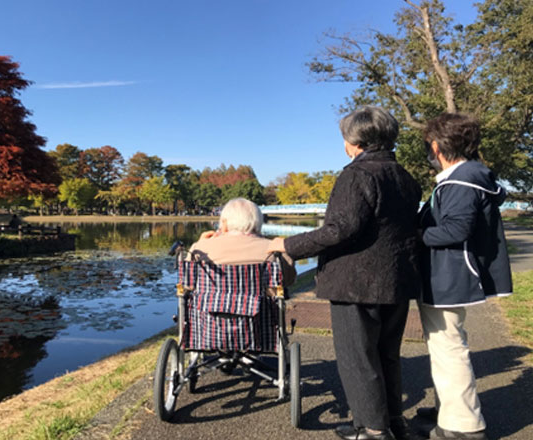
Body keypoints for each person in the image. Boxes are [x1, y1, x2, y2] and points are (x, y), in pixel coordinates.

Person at [269, 106, 422, 440]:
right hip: (396, 277)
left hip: (357, 282)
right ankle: (394, 421)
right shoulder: (405, 177)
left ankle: (373, 429)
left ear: (356, 140)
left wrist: (288, 244)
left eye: (344, 137)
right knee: (387, 355)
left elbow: (342, 228)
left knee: (358, 358)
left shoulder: (357, 174)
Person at [417, 113, 512, 440]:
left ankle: (462, 425)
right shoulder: (470, 176)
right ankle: (451, 406)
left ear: (437, 146)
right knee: (447, 346)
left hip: (449, 276)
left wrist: (414, 235)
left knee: (449, 348)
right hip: (452, 275)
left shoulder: (459, 182)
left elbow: (455, 230)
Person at [189, 197, 296, 287]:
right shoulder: (274, 249)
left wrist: (199, 244)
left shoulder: (200, 248)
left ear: (224, 224)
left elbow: (188, 283)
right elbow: (288, 281)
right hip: (261, 310)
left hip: (210, 309)